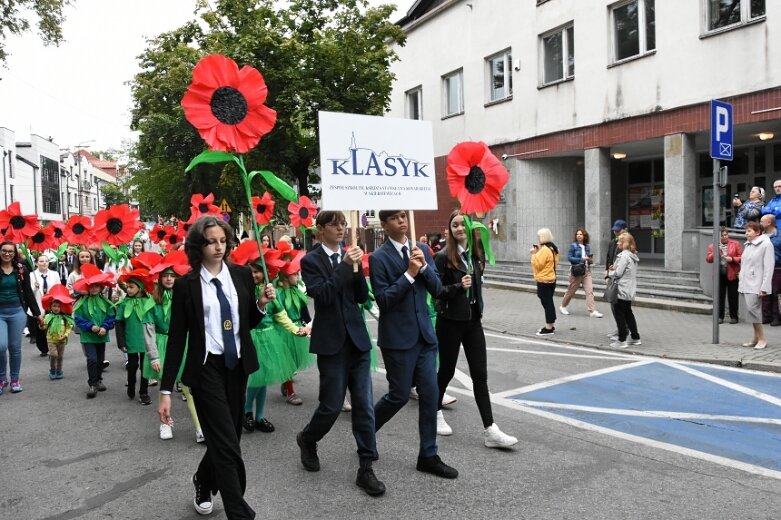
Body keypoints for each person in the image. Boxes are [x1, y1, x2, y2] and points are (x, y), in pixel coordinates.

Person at [157, 215, 276, 519]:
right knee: (225, 441)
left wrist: (260, 304)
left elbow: (246, 323)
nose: (219, 246)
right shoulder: (187, 285)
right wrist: (166, 390)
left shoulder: (241, 275)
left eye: (223, 240)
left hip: (236, 365)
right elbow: (176, 340)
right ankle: (238, 510)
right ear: (198, 244)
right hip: (205, 368)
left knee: (229, 436)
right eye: (211, 241)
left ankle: (202, 479)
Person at [297, 210, 385, 496]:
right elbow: (322, 294)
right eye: (334, 224)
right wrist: (345, 266)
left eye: (343, 224)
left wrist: (359, 270)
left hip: (357, 341)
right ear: (319, 230)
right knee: (332, 406)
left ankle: (366, 467)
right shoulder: (311, 260)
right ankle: (308, 439)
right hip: (331, 343)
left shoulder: (351, 255)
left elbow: (360, 296)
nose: (341, 229)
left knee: (363, 404)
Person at [369, 209, 458, 480]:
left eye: (404, 216)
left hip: (425, 338)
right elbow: (383, 301)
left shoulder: (420, 249)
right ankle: (366, 430)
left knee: (431, 396)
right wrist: (409, 273)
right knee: (397, 396)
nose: (402, 221)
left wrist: (423, 268)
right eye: (395, 218)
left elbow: (438, 289)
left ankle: (428, 455)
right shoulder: (378, 258)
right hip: (398, 339)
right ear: (384, 225)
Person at [434, 210, 518, 448]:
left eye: (462, 224)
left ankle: (490, 429)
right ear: (450, 231)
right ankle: (434, 411)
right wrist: (458, 286)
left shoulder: (475, 255)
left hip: (472, 321)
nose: (459, 228)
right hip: (450, 321)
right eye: (454, 225)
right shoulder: (442, 257)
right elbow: (437, 293)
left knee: (480, 376)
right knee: (446, 372)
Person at [0, 241, 41, 394]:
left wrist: (37, 314)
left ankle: (15, 380)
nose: (7, 253)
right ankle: (2, 378)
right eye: (4, 250)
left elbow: (28, 293)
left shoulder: (21, 269)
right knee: (1, 346)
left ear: (15, 253)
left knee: (15, 348)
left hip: (17, 311)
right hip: (0, 313)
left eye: (10, 251)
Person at [72, 264, 116, 398]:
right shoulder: (81, 302)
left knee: (100, 360)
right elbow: (78, 318)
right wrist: (90, 326)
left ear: (101, 287)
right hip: (88, 336)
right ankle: (92, 383)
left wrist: (104, 327)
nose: (94, 288)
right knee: (92, 359)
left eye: (97, 286)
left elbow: (111, 316)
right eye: (91, 286)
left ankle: (98, 380)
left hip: (101, 336)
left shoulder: (106, 302)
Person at [116, 268, 158, 406]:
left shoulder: (148, 301)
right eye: (127, 287)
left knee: (145, 367)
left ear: (140, 288)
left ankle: (144, 392)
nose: (128, 289)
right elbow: (119, 322)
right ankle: (131, 386)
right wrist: (121, 341)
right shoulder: (124, 303)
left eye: (131, 287)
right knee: (132, 365)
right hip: (131, 340)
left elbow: (154, 320)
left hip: (146, 340)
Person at [738, 221, 774, 350]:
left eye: (749, 231)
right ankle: (756, 337)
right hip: (747, 283)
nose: (747, 233)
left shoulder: (766, 245)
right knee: (751, 311)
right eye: (746, 231)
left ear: (757, 232)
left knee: (754, 310)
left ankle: (762, 338)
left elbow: (769, 268)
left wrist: (764, 287)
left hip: (756, 284)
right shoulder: (748, 245)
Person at [559, 228, 603, 318]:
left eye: (581, 234)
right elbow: (569, 258)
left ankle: (592, 311)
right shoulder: (573, 246)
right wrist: (581, 259)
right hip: (576, 271)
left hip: (586, 271)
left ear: (584, 236)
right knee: (571, 291)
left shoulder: (587, 246)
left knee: (589, 291)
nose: (578, 235)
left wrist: (590, 260)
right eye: (577, 234)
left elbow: (589, 259)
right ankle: (563, 306)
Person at [608, 233, 641, 348]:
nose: (617, 243)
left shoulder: (624, 256)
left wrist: (609, 273)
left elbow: (618, 273)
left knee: (620, 314)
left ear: (624, 243)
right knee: (628, 313)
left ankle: (622, 340)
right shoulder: (632, 256)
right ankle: (635, 337)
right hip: (629, 288)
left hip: (621, 288)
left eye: (619, 241)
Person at [706, 227, 742, 325]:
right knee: (719, 297)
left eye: (726, 234)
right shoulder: (713, 246)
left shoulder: (735, 244)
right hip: (719, 275)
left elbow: (742, 257)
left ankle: (734, 317)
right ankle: (719, 317)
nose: (725, 237)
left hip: (732, 274)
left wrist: (733, 259)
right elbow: (708, 259)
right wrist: (715, 251)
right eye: (722, 235)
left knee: (733, 297)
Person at [30, 253, 62, 357]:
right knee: (41, 328)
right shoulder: (31, 275)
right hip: (39, 305)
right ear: (36, 263)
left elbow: (59, 288)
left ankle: (53, 346)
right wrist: (35, 287)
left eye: (46, 261)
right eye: (41, 261)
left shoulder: (55, 274)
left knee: (53, 327)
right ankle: (43, 348)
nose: (44, 263)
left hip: (52, 304)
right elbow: (28, 292)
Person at [39, 285, 75, 380]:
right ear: (50, 307)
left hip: (62, 340)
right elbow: (44, 327)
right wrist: (41, 324)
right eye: (54, 306)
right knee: (54, 355)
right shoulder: (48, 316)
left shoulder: (65, 317)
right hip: (51, 340)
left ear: (62, 307)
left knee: (60, 357)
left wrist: (65, 335)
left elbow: (69, 327)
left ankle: (59, 371)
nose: (56, 308)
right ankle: (52, 370)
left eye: (59, 306)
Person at [530, 228, 559, 336]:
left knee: (547, 303)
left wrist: (534, 254)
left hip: (544, 279)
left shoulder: (545, 250)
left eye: (539, 236)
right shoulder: (553, 248)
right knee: (548, 302)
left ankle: (549, 327)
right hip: (551, 278)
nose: (538, 238)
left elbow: (538, 264)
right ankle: (551, 323)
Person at [604, 219, 627, 337]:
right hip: (613, 276)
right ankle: (620, 328)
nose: (616, 232)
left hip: (622, 279)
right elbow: (609, 258)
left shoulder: (628, 243)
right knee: (613, 305)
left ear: (624, 230)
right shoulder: (613, 242)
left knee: (622, 307)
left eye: (618, 230)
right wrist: (607, 273)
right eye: (614, 230)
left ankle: (624, 330)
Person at [759, 214, 781, 326]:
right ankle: (766, 316)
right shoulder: (762, 236)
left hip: (777, 268)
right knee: (765, 291)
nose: (760, 223)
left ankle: (776, 317)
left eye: (762, 221)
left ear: (769, 223)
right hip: (763, 267)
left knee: (775, 293)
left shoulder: (779, 235)